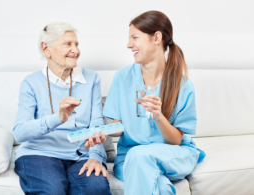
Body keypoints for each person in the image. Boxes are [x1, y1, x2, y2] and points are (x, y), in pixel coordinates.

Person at [102, 11, 206, 195]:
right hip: (128, 157)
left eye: (135, 37)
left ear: (156, 37)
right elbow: (118, 127)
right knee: (159, 185)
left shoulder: (182, 85)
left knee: (139, 156)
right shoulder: (122, 77)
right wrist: (100, 131)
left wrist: (159, 117)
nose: (129, 44)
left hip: (172, 153)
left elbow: (176, 140)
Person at [12, 22, 111, 195]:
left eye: (76, 44)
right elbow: (19, 132)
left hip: (82, 155)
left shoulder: (92, 79)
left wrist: (95, 157)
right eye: (67, 44)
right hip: (39, 153)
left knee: (96, 188)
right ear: (46, 49)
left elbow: (96, 123)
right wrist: (58, 117)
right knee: (52, 191)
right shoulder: (31, 83)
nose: (75, 50)